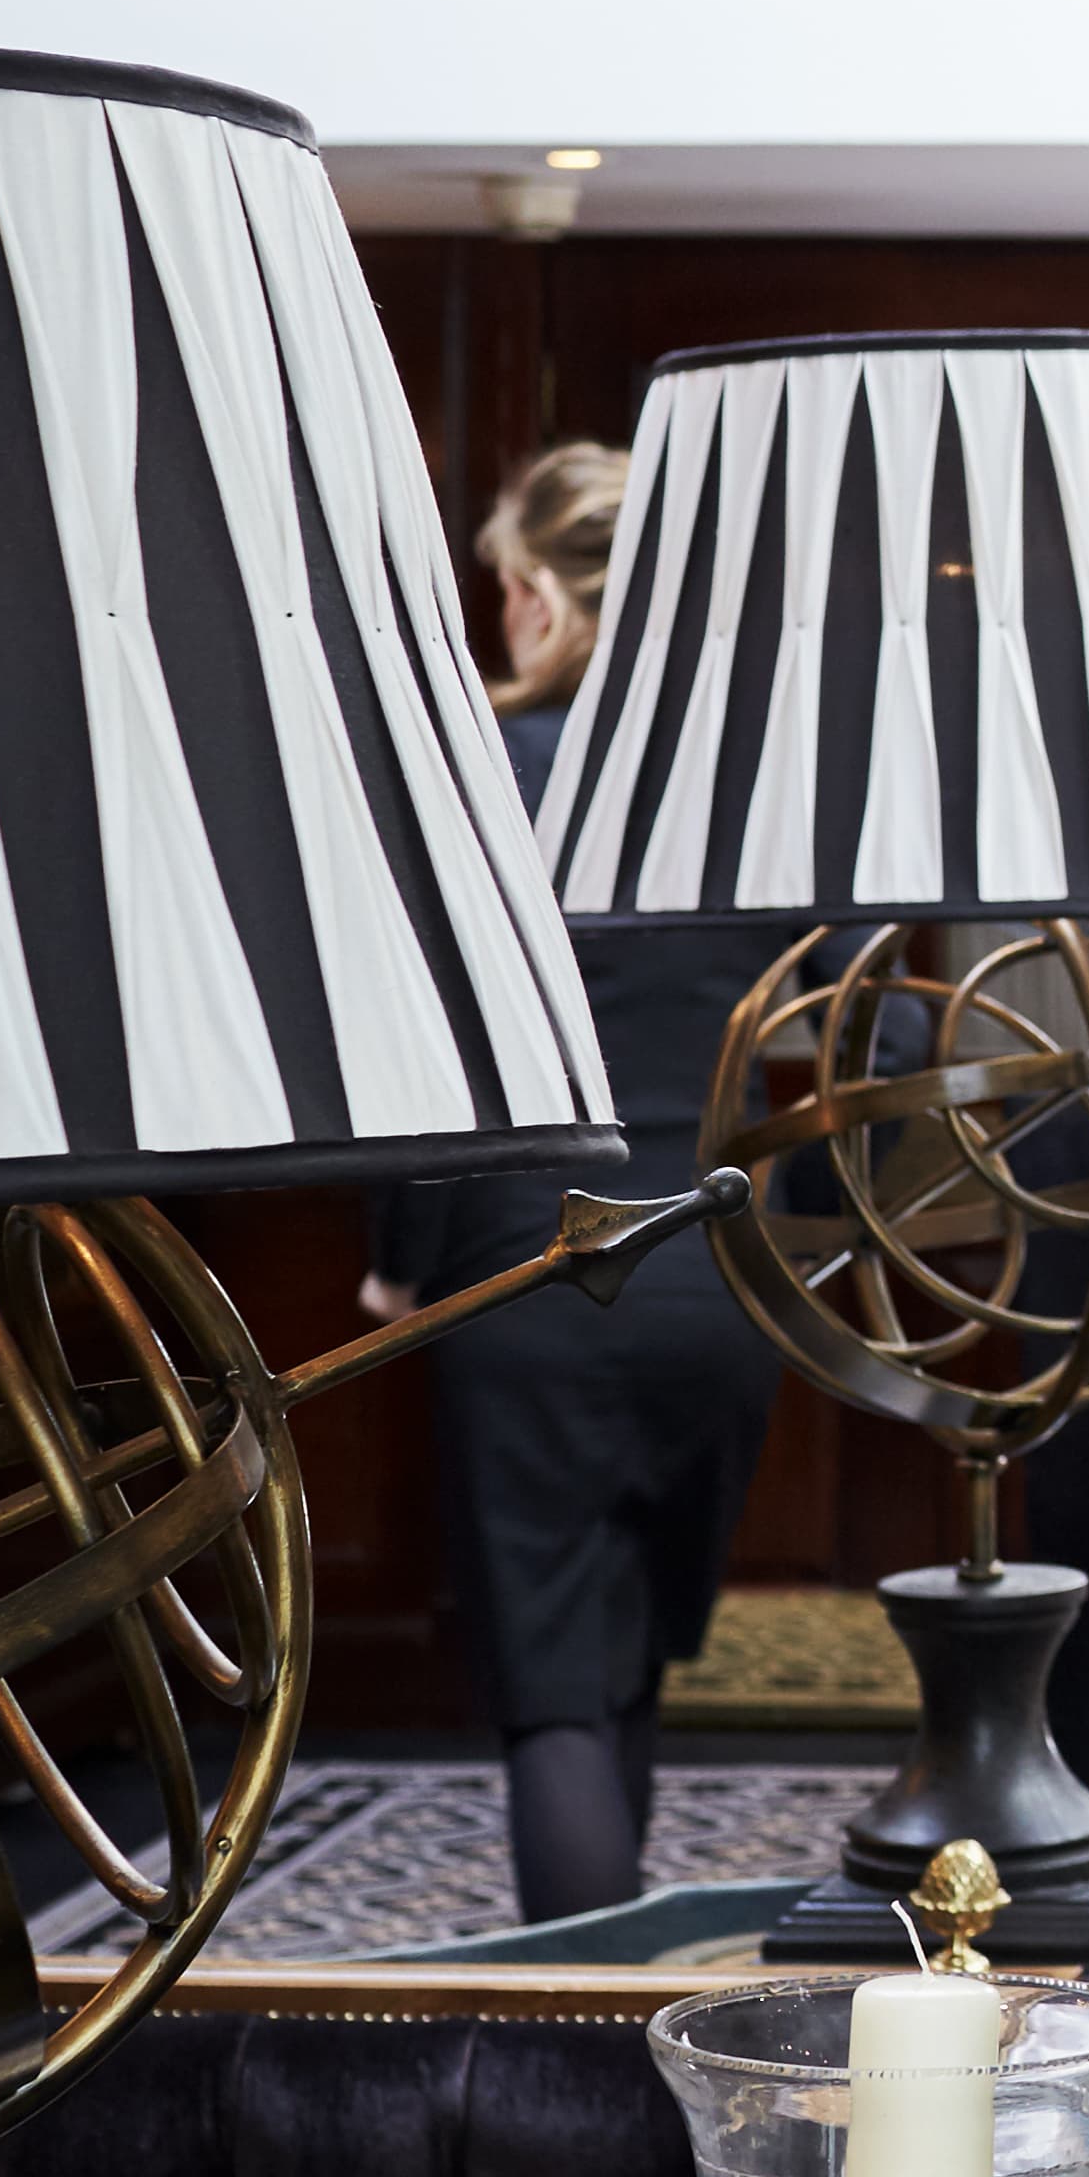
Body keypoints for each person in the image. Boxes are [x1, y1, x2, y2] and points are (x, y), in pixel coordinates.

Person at [359, 444, 791, 1927]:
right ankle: (623, 1991)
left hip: (533, 1264)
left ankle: (586, 2033)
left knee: (550, 1679)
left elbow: (427, 1048)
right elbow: (865, 1015)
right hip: (730, 1273)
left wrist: (401, 1260)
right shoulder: (754, 785)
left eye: (502, 590)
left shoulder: (491, 783)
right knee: (636, 1652)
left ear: (541, 597)